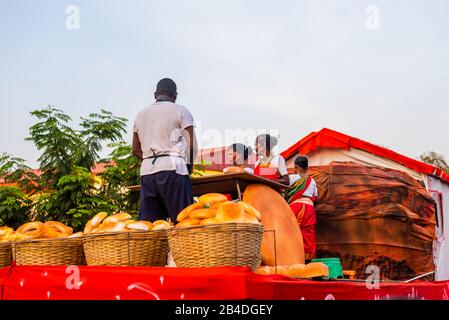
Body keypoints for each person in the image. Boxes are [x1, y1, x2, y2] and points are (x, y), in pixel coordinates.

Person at [132, 78, 197, 223]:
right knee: (183, 222)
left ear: (155, 94)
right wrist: (189, 167)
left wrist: (151, 158)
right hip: (174, 169)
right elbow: (192, 145)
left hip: (147, 171)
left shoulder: (140, 114)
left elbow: (135, 149)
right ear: (175, 95)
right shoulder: (181, 110)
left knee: (151, 226)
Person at [287, 156, 318, 261]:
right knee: (308, 234)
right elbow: (316, 195)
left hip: (295, 207)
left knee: (292, 232)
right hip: (309, 208)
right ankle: (308, 260)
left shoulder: (291, 178)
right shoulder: (312, 181)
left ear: (295, 167)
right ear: (307, 168)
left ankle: (293, 257)